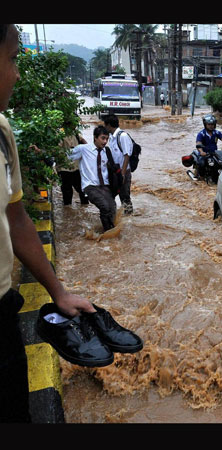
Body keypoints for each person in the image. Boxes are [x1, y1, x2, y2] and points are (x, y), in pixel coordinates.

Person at [0, 24, 96, 423]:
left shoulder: (2, 133)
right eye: (12, 59)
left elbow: (16, 216)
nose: (17, 73)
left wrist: (58, 291)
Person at [68, 126, 118, 231]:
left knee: (112, 208)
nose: (105, 142)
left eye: (107, 139)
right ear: (95, 137)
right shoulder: (83, 149)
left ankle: (112, 230)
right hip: (90, 186)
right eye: (102, 138)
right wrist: (42, 152)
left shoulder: (107, 151)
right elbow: (65, 156)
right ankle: (108, 232)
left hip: (104, 186)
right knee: (104, 206)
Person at [103, 115, 133, 215]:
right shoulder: (111, 137)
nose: (105, 128)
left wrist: (123, 174)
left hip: (123, 172)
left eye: (105, 125)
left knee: (125, 197)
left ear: (109, 126)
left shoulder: (122, 136)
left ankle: (129, 219)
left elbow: (127, 155)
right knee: (112, 195)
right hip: (115, 172)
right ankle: (117, 217)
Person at [57, 130, 89, 206]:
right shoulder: (61, 135)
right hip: (66, 168)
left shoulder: (75, 134)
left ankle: (70, 208)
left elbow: (85, 144)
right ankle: (80, 207)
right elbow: (56, 150)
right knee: (74, 190)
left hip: (73, 167)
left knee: (80, 190)